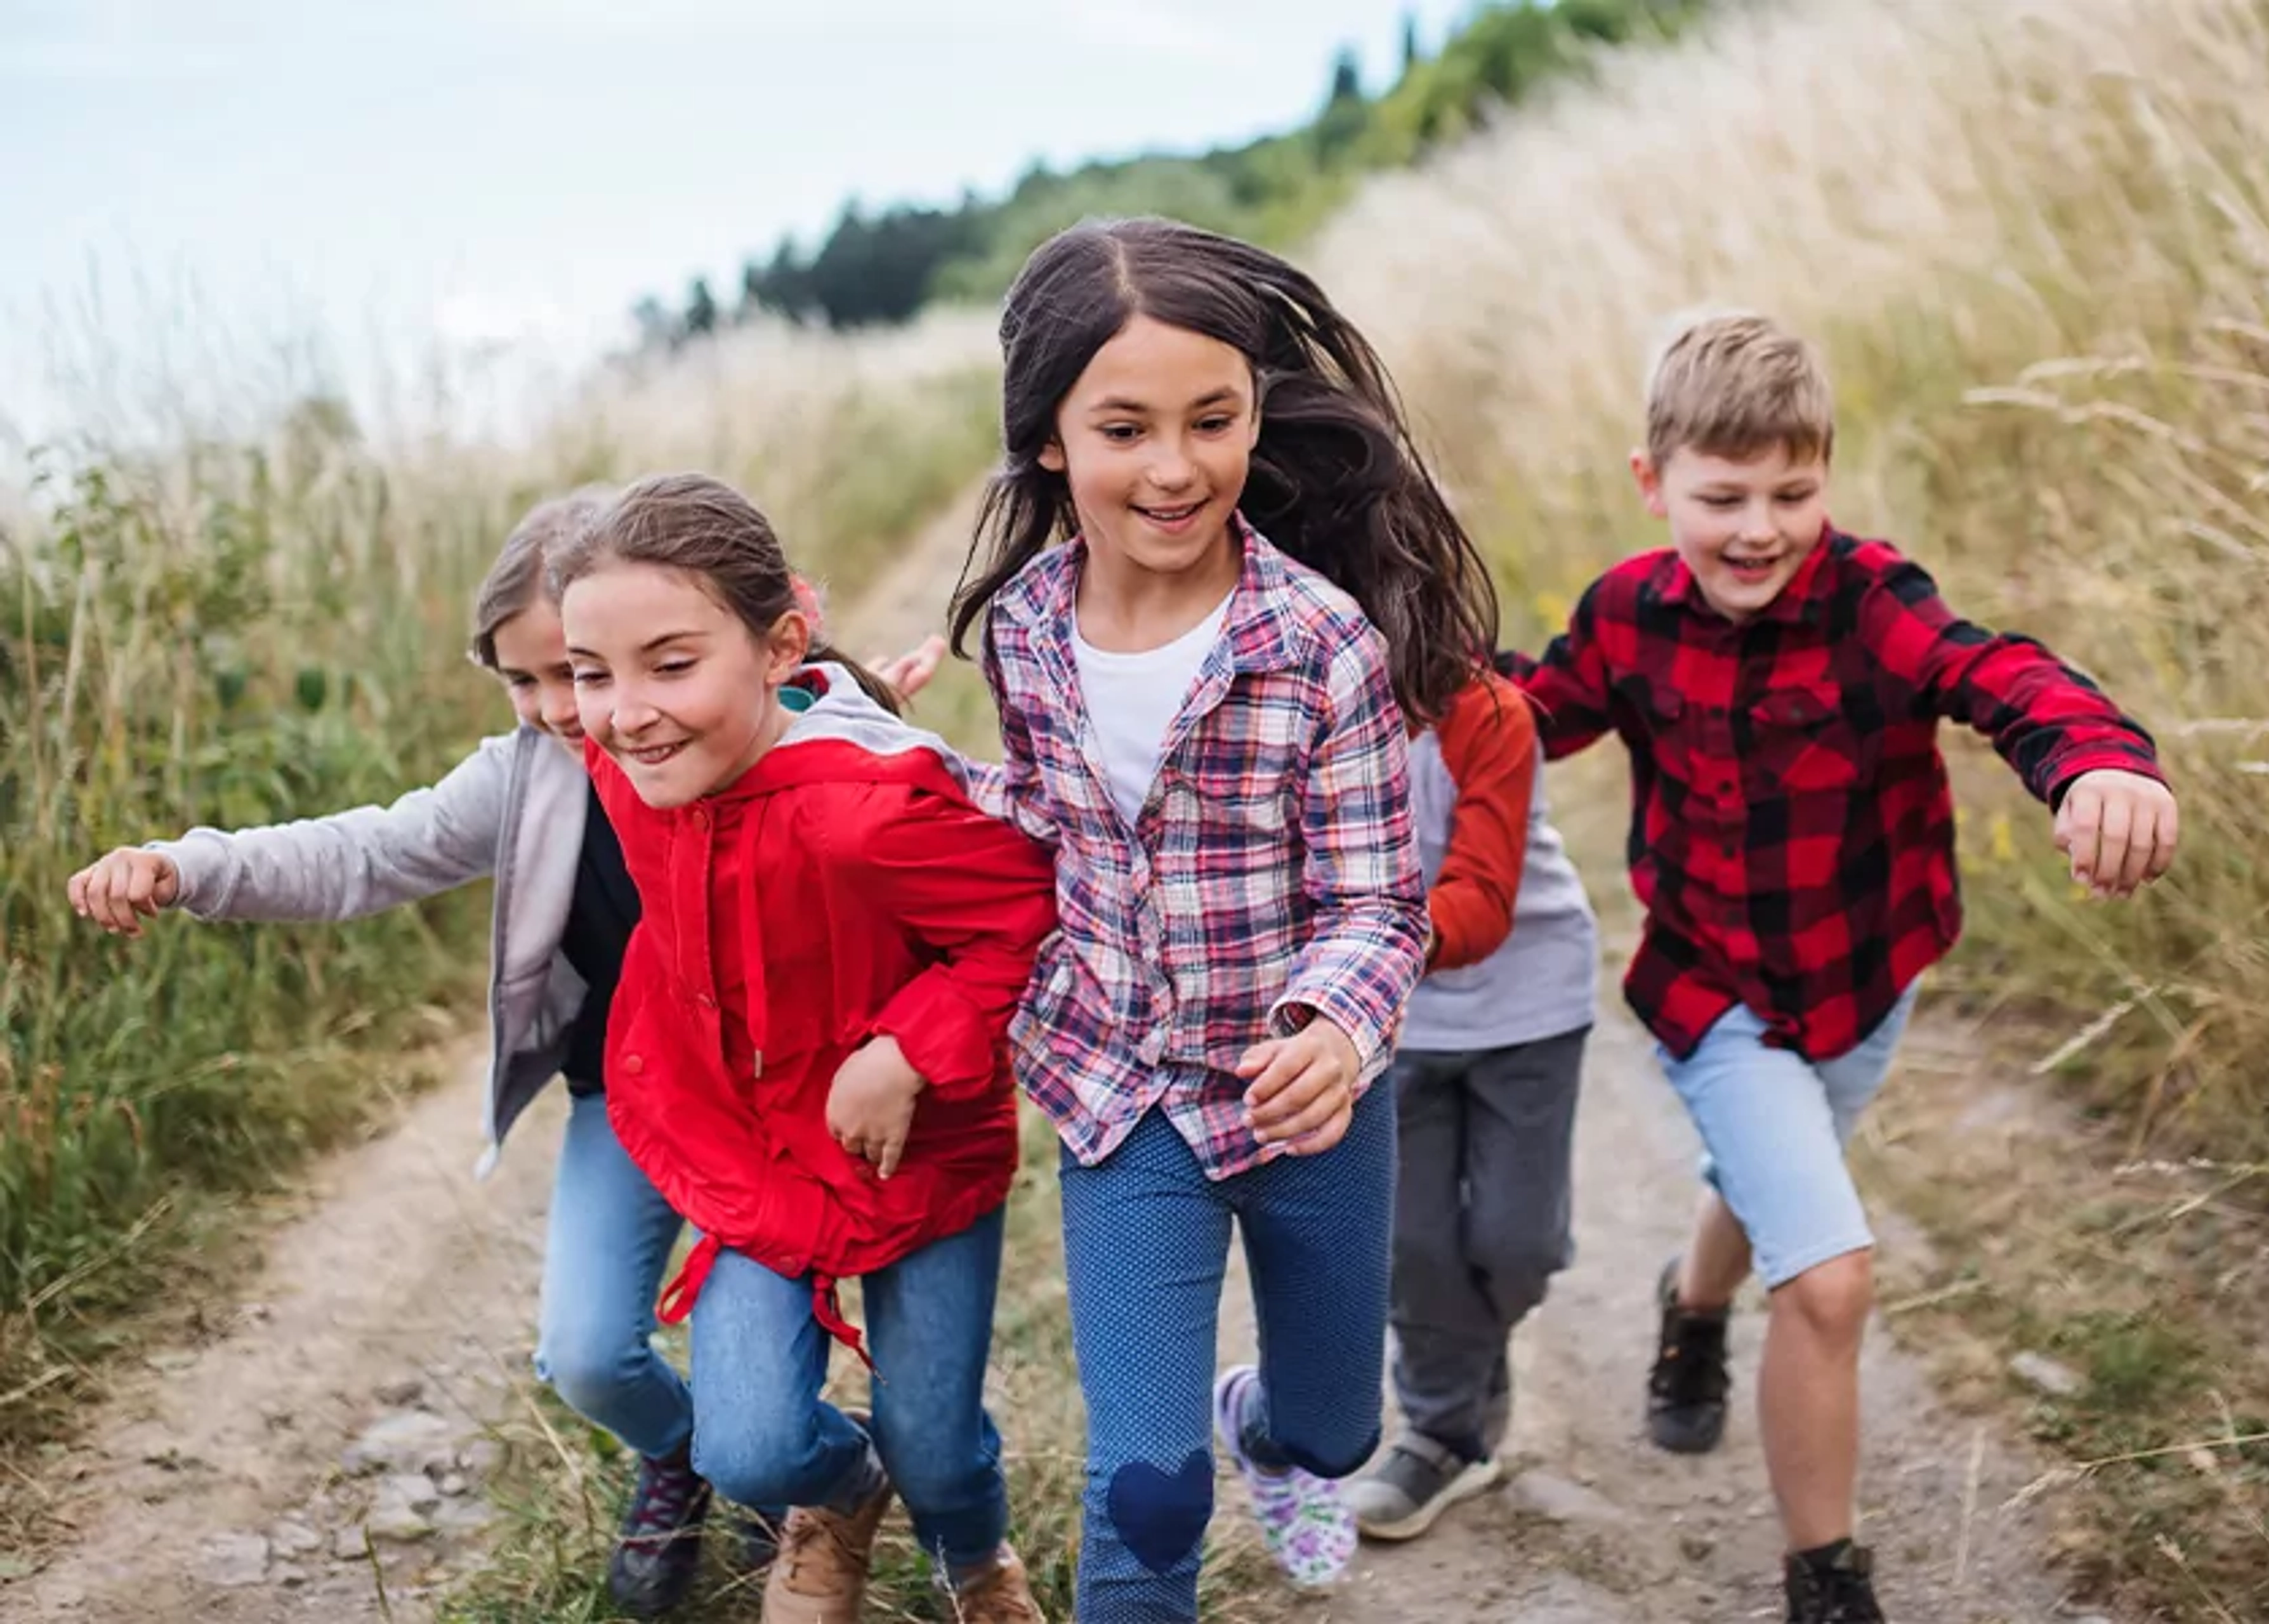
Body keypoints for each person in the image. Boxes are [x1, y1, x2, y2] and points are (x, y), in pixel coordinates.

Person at [1499, 310, 2180, 1623]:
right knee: (1829, 1274)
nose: (1761, 528)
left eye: (1793, 492)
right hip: (1712, 989)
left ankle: (1693, 1302)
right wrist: (1402, 669)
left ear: (1825, 476)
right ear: (1653, 482)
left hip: (1866, 976)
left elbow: (1997, 672)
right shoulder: (1627, 613)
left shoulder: (1871, 600)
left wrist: (2098, 760)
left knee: (1772, 1187)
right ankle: (1827, 1578)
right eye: (1723, 497)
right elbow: (1527, 714)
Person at [68, 490, 770, 1615]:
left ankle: (806, 1483)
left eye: (571, 671)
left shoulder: (728, 733)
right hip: (630, 1096)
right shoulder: (527, 775)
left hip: (776, 1091)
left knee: (769, 1395)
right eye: (525, 681)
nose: (560, 708)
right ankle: (679, 1457)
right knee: (586, 1356)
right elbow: (367, 853)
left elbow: (855, 756)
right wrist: (187, 866)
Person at [944, 214, 1501, 1620]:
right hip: (1122, 1096)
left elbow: (1378, 896)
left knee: (1338, 1429)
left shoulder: (1321, 641)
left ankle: (1269, 1427)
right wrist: (884, 765)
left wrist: (1334, 1025)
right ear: (1048, 439)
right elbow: (1042, 819)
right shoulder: (1024, 632)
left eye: (1212, 419)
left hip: (1305, 1100)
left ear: (1257, 412)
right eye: (1124, 428)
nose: (1175, 467)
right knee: (1146, 1484)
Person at [548, 471, 1058, 1624]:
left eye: (670, 665)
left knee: (938, 1450)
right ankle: (842, 1494)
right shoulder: (628, 769)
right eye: (593, 673)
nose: (626, 712)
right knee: (750, 1447)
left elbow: (1027, 909)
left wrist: (907, 1052)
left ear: (778, 646)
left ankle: (974, 1554)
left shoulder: (866, 814)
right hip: (751, 1148)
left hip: (910, 1154)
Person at [1342, 667, 1602, 1542]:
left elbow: (1483, 898)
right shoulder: (1298, 709)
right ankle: (1442, 1434)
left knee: (1514, 1244)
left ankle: (1467, 1355)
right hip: (1388, 1022)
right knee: (1413, 1244)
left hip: (1529, 1007)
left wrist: (1361, 944)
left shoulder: (1490, 715)